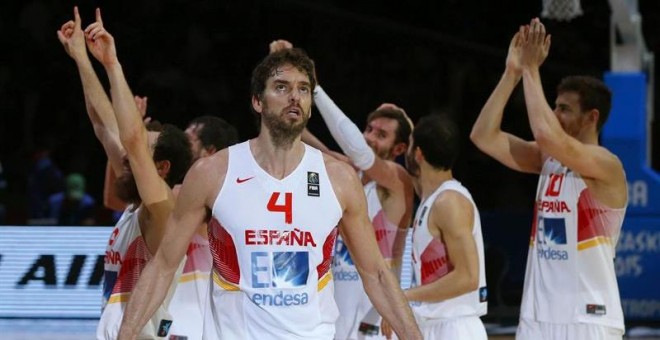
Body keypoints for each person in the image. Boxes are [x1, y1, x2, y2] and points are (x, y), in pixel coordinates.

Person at [117, 47, 422, 339]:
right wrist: (126, 335)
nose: (294, 96)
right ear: (257, 101)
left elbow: (377, 274)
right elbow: (162, 266)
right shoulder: (213, 173)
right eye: (281, 87)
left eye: (303, 89)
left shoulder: (338, 178)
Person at [470, 18, 627, 340]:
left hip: (589, 316)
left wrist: (531, 70)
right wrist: (512, 73)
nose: (555, 114)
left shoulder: (606, 164)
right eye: (555, 106)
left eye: (565, 109)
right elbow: (483, 136)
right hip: (538, 315)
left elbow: (546, 134)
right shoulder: (548, 159)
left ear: (591, 117)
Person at [57, 7, 193, 339]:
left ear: (162, 168)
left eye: (141, 153)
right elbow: (104, 125)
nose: (130, 154)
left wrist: (112, 64)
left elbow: (130, 138)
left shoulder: (162, 208)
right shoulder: (136, 204)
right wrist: (81, 59)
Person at [267, 39, 415, 340]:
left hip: (375, 314)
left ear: (399, 148)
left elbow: (360, 152)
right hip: (339, 311)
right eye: (369, 129)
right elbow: (296, 136)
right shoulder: (348, 173)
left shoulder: (397, 180)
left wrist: (316, 88)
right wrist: (281, 84)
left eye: (381, 135)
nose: (370, 137)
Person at [382, 114, 488, 339]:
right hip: (437, 324)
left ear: (418, 153)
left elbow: (468, 277)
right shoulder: (432, 197)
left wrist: (403, 297)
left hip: (455, 327)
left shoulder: (449, 202)